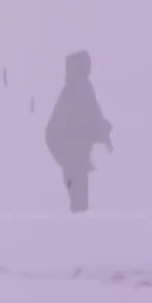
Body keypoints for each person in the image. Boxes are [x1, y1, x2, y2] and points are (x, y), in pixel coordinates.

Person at [44, 50, 113, 213]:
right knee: (79, 196)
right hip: (73, 150)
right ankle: (78, 225)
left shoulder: (73, 89)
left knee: (78, 194)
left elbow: (91, 117)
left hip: (72, 151)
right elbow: (90, 117)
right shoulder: (80, 88)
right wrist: (102, 131)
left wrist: (102, 130)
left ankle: (78, 222)